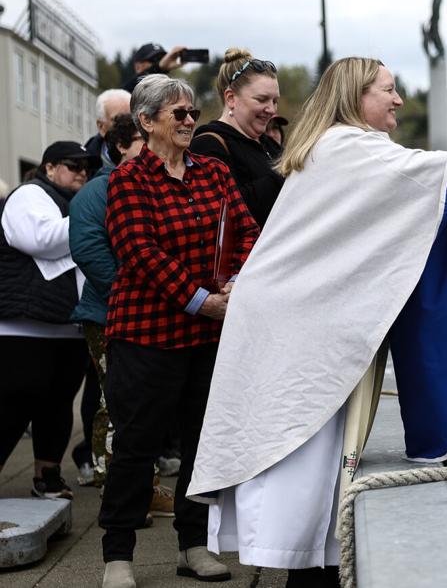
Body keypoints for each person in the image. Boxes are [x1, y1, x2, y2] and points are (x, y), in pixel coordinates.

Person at [186, 57, 447, 588]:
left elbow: (418, 183)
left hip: (299, 323)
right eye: (388, 90)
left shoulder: (342, 147)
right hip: (299, 330)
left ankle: (315, 561)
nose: (398, 101)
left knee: (313, 465)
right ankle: (310, 564)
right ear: (355, 96)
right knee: (301, 457)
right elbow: (422, 173)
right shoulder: (346, 146)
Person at [98, 75, 259, 588]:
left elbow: (248, 233)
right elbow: (140, 253)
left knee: (201, 445)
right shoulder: (128, 180)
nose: (190, 120)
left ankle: (194, 546)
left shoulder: (213, 173)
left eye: (192, 112)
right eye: (178, 114)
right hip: (145, 336)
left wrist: (234, 282)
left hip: (208, 339)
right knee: (136, 447)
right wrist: (203, 302)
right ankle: (117, 555)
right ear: (146, 123)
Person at [70, 114, 175, 518]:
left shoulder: (158, 182)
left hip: (150, 312)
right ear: (120, 147)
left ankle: (142, 488)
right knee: (115, 402)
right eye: (142, 141)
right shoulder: (97, 192)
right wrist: (138, 295)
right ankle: (116, 492)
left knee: (145, 404)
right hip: (108, 314)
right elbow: (91, 252)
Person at [0, 140, 94, 498]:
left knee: (58, 404)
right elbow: (40, 238)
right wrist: (91, 222)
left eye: (86, 167)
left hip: (67, 324)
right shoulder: (30, 195)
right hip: (23, 324)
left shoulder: (73, 204)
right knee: (12, 404)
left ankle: (48, 476)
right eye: (73, 165)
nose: (82, 173)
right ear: (50, 167)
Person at [190, 48, 286, 227]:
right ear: (231, 98)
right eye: (262, 99)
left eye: (274, 101)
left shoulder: (269, 144)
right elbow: (228, 212)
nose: (272, 110)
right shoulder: (208, 145)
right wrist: (284, 173)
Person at [84, 89, 133, 173]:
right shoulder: (85, 163)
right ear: (101, 126)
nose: (127, 125)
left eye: (132, 118)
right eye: (118, 119)